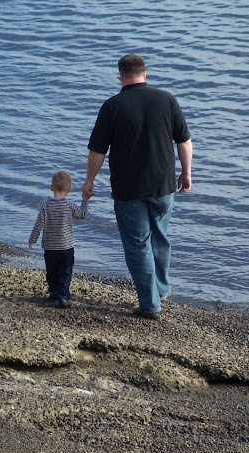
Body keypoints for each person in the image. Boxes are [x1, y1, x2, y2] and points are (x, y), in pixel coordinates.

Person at [81, 53, 193, 319]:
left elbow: (98, 151)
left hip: (128, 188)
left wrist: (89, 181)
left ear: (121, 76)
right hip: (164, 185)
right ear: (145, 73)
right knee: (160, 238)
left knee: (137, 244)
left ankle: (150, 304)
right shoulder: (167, 99)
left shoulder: (112, 106)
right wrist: (186, 173)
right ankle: (161, 290)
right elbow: (184, 142)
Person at [29, 170, 88, 308]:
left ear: (51, 187)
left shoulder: (46, 205)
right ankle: (63, 295)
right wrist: (84, 200)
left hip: (49, 247)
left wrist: (32, 240)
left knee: (52, 270)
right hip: (66, 247)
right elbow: (82, 215)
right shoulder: (70, 205)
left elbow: (38, 225)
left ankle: (54, 290)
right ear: (69, 189)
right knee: (65, 271)